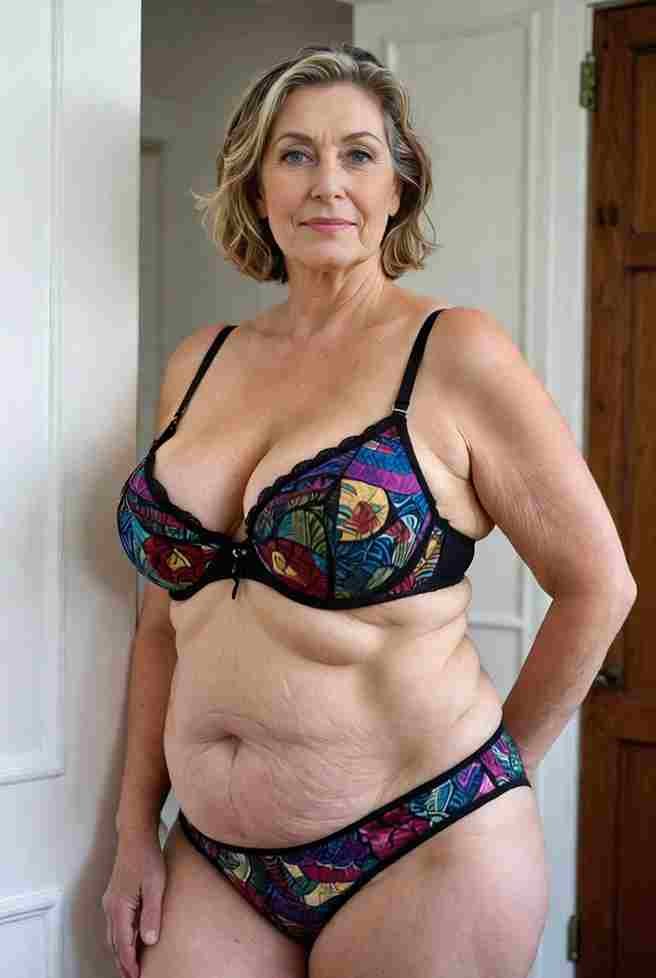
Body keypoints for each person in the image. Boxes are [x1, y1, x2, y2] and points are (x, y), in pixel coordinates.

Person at [103, 42, 636, 978]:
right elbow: (162, 622)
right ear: (256, 184)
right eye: (295, 154)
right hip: (215, 860)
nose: (327, 184)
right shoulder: (199, 362)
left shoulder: (454, 351)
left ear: (399, 187)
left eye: (358, 154)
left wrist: (491, 781)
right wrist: (132, 829)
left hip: (423, 845)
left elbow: (600, 585)